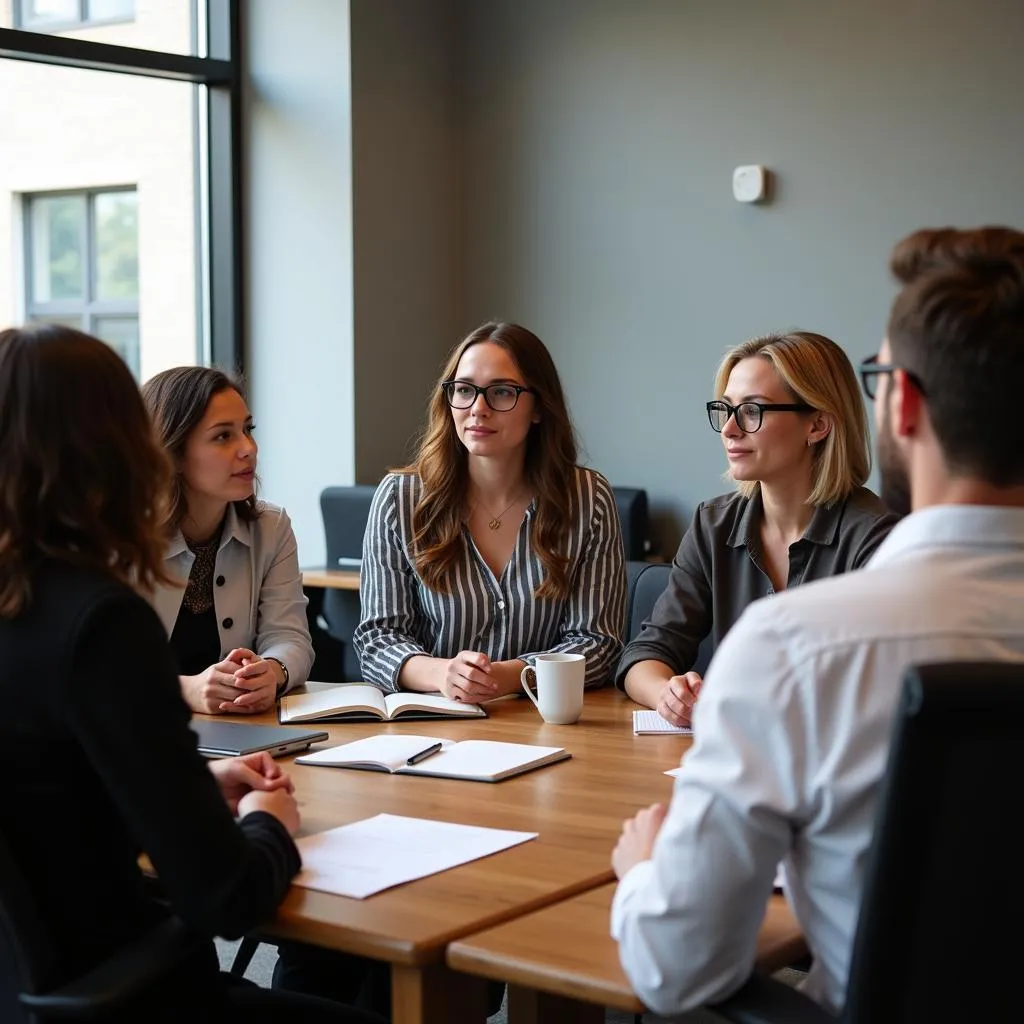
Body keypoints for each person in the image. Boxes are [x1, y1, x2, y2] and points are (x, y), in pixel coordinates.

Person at [610, 226, 1024, 1017]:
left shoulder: (797, 647)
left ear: (897, 402)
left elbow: (675, 969)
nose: (731, 427)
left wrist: (646, 869)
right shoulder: (728, 541)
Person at [0, 324, 380, 1023]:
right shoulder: (101, 621)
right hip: (129, 994)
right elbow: (225, 897)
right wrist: (267, 823)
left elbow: (46, 788)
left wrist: (196, 781)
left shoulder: (23, 600)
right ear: (116, 445)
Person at [616, 330, 898, 726]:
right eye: (726, 409)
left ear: (817, 425)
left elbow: (872, 693)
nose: (730, 429)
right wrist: (669, 694)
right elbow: (644, 656)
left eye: (752, 411)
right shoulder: (713, 523)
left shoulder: (875, 537)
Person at [354, 320, 626, 699]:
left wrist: (505, 677)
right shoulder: (400, 498)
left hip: (542, 722)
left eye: (501, 392)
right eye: (464, 390)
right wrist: (444, 674)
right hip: (432, 722)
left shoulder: (587, 498)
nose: (477, 409)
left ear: (538, 408)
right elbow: (378, 640)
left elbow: (598, 643)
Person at [141, 367, 313, 715]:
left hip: (238, 733)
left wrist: (273, 672)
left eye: (248, 430)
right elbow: (94, 666)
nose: (248, 448)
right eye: (223, 437)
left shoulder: (272, 526)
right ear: (170, 452)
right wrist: (184, 689)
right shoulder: (120, 537)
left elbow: (290, 637)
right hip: (136, 737)